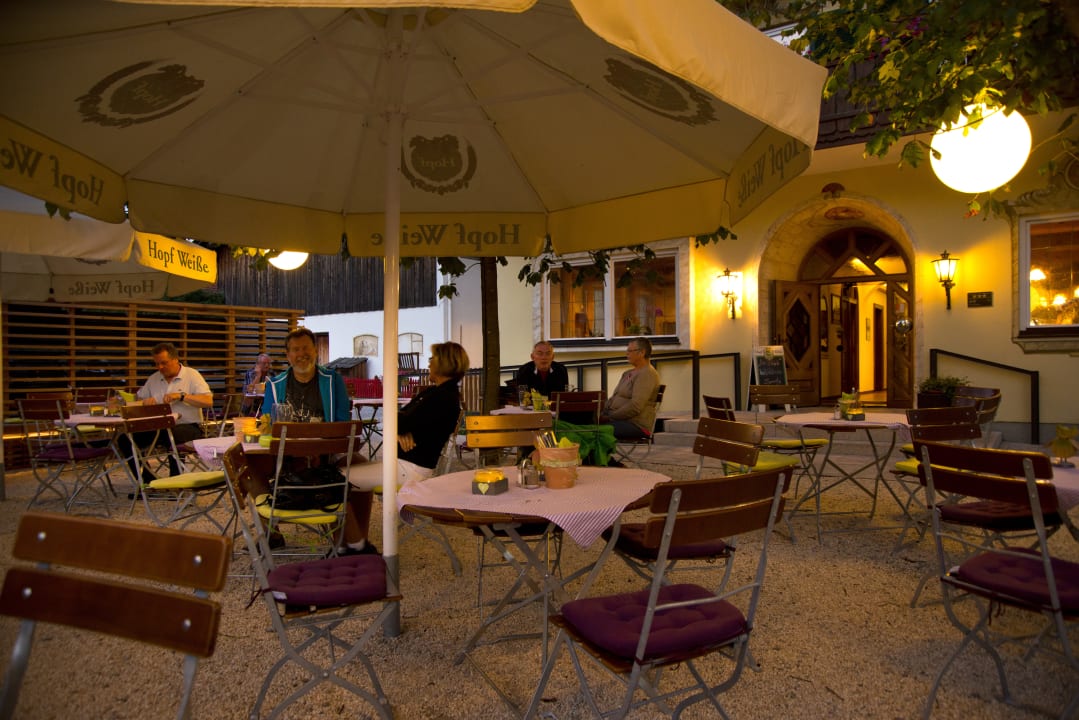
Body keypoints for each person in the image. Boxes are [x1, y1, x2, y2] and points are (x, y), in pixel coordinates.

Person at [341, 341, 470, 555]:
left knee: (336, 481)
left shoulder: (442, 398)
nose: (429, 362)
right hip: (404, 464)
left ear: (445, 363)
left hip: (409, 469)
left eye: (433, 358)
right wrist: (399, 432)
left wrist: (399, 427)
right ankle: (353, 539)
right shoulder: (435, 393)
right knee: (352, 462)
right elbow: (399, 419)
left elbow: (398, 419)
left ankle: (356, 547)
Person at [119, 342, 213, 481]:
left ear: (175, 359)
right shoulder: (154, 378)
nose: (160, 367)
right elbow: (138, 398)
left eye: (164, 363)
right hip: (158, 428)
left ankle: (175, 481)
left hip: (188, 426)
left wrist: (182, 396)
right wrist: (143, 402)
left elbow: (208, 401)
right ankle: (148, 481)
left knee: (172, 435)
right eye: (157, 364)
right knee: (125, 439)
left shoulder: (192, 375)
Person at [264, 328, 350, 422]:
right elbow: (268, 424)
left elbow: (343, 424)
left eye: (306, 348)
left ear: (315, 350)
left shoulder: (334, 381)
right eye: (296, 349)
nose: (301, 353)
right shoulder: (274, 386)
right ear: (288, 356)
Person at [600, 336, 660, 449]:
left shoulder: (647, 374)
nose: (626, 353)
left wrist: (610, 417)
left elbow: (635, 406)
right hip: (619, 420)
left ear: (642, 353)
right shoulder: (628, 373)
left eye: (630, 351)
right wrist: (600, 412)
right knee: (584, 424)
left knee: (593, 430)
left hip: (635, 424)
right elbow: (614, 398)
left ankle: (601, 457)